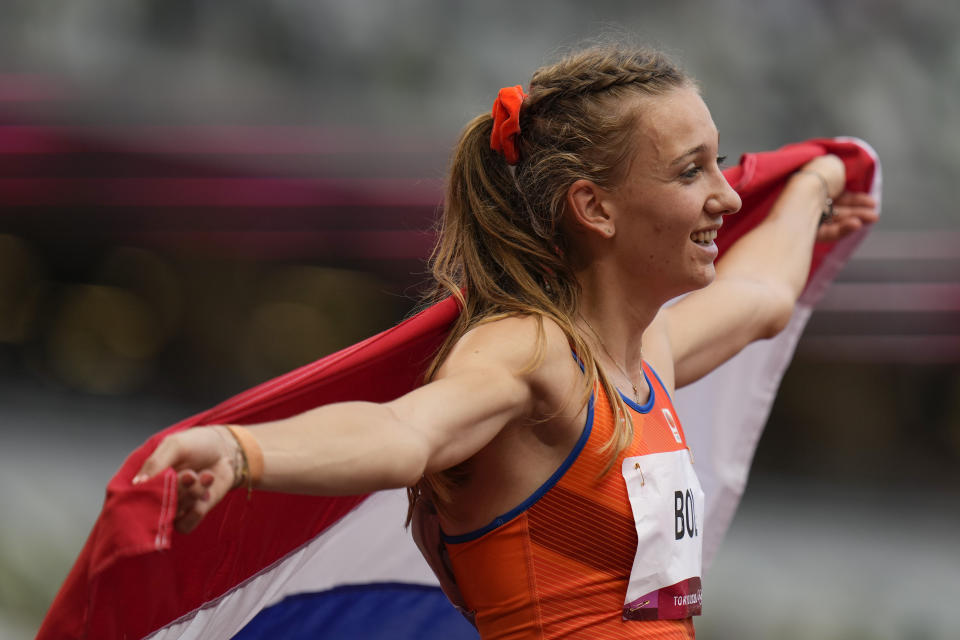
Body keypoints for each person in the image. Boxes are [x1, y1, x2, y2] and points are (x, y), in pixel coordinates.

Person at [134, 46, 877, 639]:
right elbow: (403, 430)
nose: (729, 194)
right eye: (692, 170)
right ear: (594, 207)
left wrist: (817, 181)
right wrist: (244, 454)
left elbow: (765, 298)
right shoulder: (530, 353)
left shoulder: (645, 353)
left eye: (721, 161)